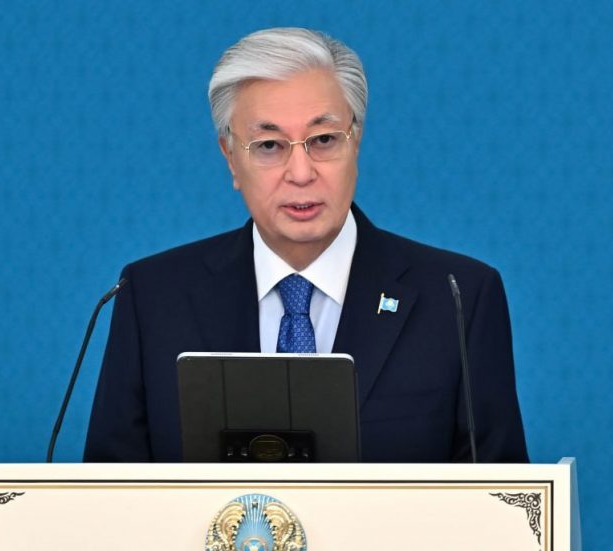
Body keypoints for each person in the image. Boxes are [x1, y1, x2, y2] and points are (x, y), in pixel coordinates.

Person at [84, 27, 528, 463]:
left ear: (356, 141)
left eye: (323, 140)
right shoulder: (153, 296)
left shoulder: (458, 297)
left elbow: (502, 496)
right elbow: (106, 495)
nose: (301, 173)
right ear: (230, 157)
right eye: (269, 145)